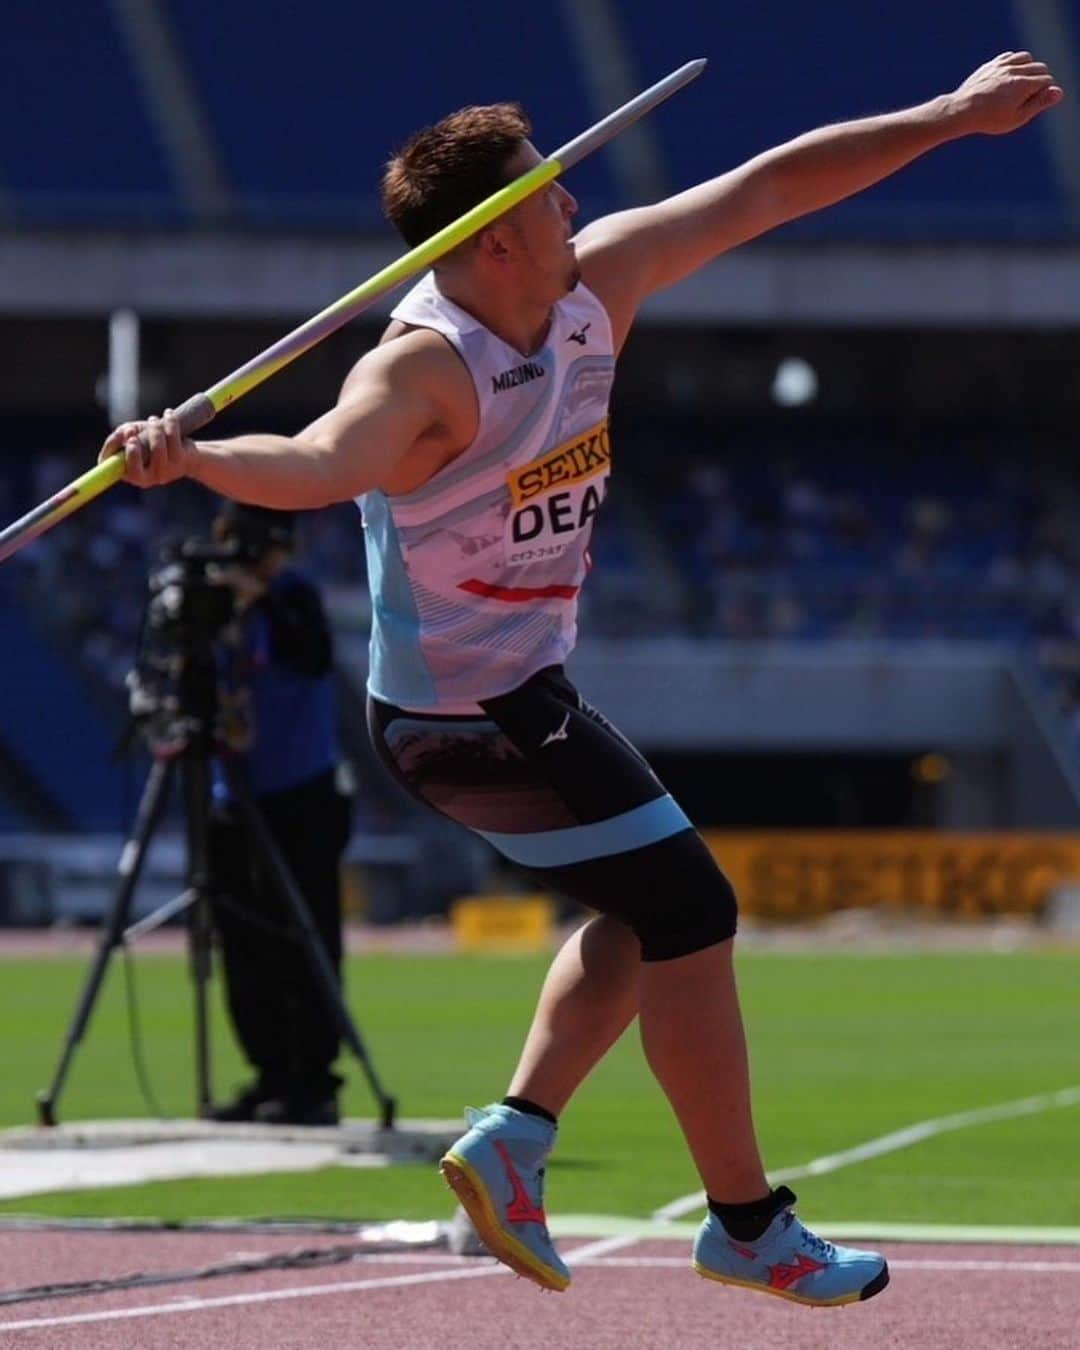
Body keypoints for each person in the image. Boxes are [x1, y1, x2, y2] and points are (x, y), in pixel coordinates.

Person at [100, 51, 1061, 1304]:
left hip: (522, 695)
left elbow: (766, 191)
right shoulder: (421, 372)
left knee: (642, 923)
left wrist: (947, 119)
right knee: (697, 911)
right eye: (546, 188)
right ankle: (746, 1222)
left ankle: (515, 1138)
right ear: (496, 241)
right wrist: (192, 456)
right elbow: (324, 460)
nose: (571, 199)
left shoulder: (594, 287)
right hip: (463, 717)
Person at [206, 501, 352, 1126]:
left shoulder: (295, 597)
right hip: (230, 793)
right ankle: (268, 1072)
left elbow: (313, 654)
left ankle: (313, 1078)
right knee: (242, 938)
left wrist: (258, 599)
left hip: (303, 789)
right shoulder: (207, 599)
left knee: (308, 934)